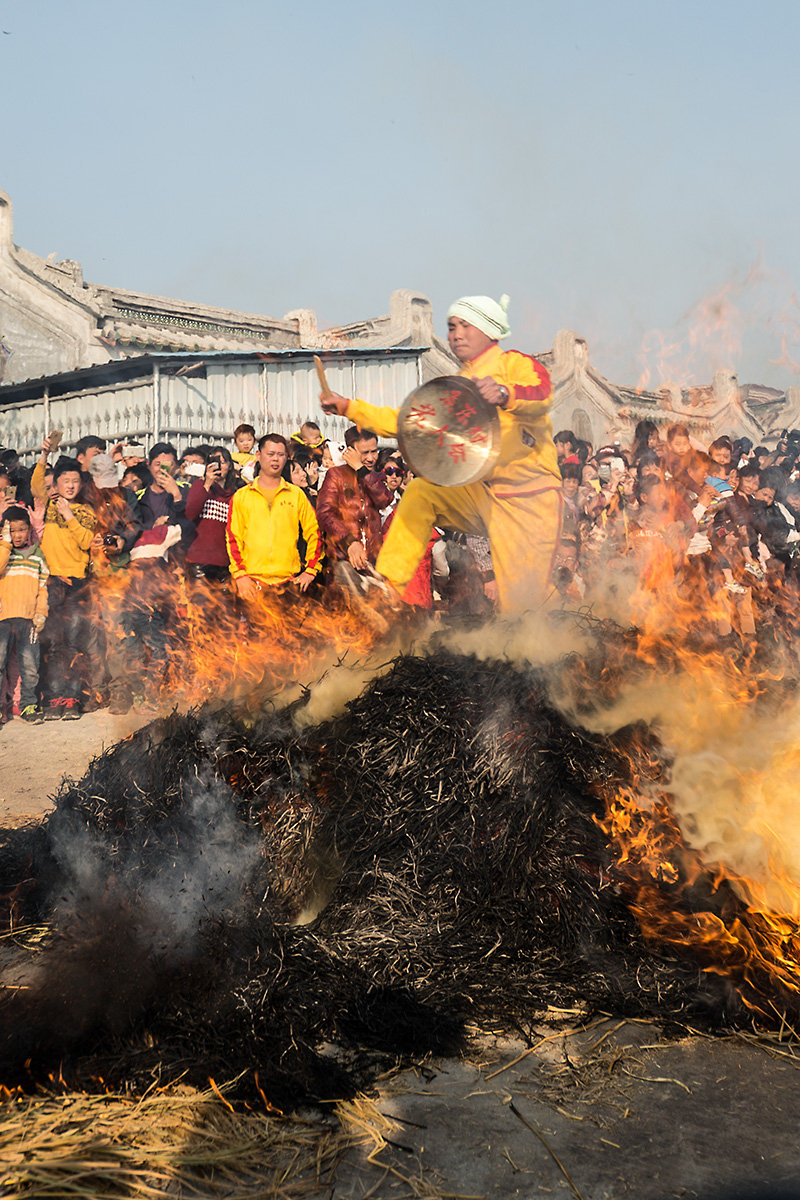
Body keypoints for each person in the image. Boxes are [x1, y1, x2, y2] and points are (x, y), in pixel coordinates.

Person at [320, 294, 562, 613]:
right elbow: (408, 421)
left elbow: (543, 394)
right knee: (422, 491)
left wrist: (505, 393)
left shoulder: (514, 363)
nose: (456, 334)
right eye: (451, 327)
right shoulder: (454, 387)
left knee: (525, 606)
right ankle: (388, 588)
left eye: (465, 325)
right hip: (485, 496)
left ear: (490, 330)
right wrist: (350, 407)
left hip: (532, 501)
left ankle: (569, 636)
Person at [30, 439, 97, 718]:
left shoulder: (86, 512)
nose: (70, 486)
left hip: (78, 584)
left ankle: (72, 699)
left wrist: (70, 514)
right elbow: (35, 485)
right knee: (54, 642)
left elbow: (87, 542)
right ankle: (54, 698)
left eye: (75, 481)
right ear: (55, 484)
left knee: (74, 642)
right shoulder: (48, 503)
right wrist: (45, 454)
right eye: (65, 481)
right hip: (53, 581)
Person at [226, 433, 322, 598]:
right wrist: (240, 576)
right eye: (270, 454)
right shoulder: (242, 496)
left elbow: (314, 532)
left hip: (289, 584)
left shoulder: (296, 495)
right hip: (252, 583)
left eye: (280, 455)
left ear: (286, 457)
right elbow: (234, 538)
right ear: (258, 455)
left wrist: (311, 570)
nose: (275, 459)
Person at [316, 426, 392, 572]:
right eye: (365, 453)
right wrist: (350, 542)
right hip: (343, 559)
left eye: (374, 451)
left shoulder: (376, 477)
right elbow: (325, 514)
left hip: (373, 561)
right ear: (349, 452)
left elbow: (384, 500)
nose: (371, 458)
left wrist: (361, 470)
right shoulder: (336, 475)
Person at [0, 507, 49, 723]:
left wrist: (41, 613)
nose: (18, 535)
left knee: (30, 665)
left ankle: (28, 706)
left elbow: (43, 588)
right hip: (3, 618)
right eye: (13, 531)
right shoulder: (3, 552)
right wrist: (5, 543)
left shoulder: (37, 556)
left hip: (29, 619)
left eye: (22, 530)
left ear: (29, 530)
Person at [185, 447, 241, 582]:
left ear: (230, 466)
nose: (219, 466)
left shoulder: (236, 494)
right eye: (215, 461)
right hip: (199, 561)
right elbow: (190, 514)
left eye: (224, 462)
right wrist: (208, 484)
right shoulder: (200, 486)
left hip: (225, 563)